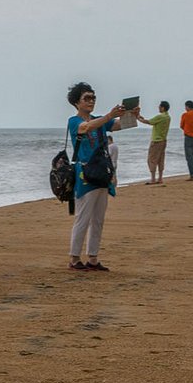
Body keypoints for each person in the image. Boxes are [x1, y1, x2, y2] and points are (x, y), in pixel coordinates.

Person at [66, 82, 131, 272]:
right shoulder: (74, 121)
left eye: (93, 97)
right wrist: (109, 116)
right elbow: (86, 127)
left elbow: (119, 126)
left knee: (98, 219)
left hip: (102, 173)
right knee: (83, 218)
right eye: (87, 98)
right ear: (77, 102)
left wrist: (131, 115)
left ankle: (93, 258)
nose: (91, 101)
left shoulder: (99, 120)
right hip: (85, 174)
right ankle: (74, 257)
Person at [136, 100, 171, 184]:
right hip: (163, 140)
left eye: (159, 106)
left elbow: (149, 122)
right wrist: (140, 117)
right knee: (160, 159)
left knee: (151, 160)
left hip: (156, 141)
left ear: (163, 108)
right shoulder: (168, 117)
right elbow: (151, 121)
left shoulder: (160, 116)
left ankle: (153, 179)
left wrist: (138, 118)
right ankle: (160, 178)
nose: (158, 108)